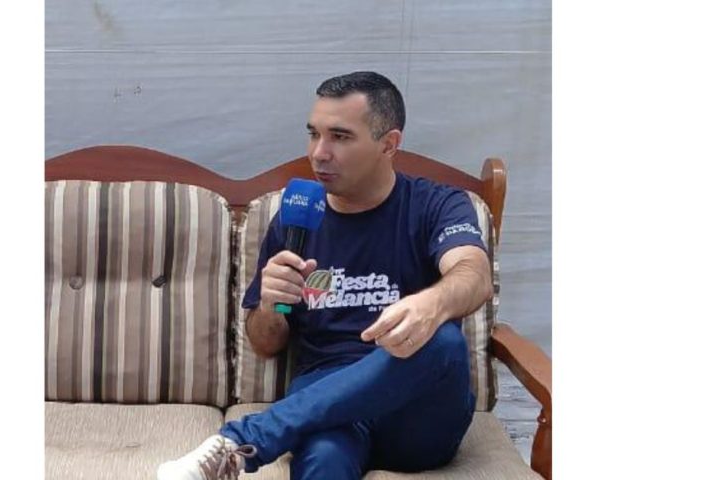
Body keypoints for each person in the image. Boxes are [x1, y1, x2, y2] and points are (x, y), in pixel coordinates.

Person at [156, 71, 493, 480]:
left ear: (389, 144)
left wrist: (432, 303)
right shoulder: (294, 219)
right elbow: (265, 343)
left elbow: (474, 274)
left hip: (416, 413)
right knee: (324, 458)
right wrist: (272, 305)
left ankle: (241, 443)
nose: (319, 153)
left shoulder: (436, 204)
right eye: (313, 134)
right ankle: (237, 451)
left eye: (340, 137)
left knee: (443, 341)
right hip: (327, 402)